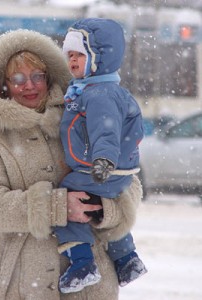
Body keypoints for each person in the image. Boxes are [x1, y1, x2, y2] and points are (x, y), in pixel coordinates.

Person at [0, 28, 143, 300]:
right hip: (26, 282)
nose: (29, 85)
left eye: (37, 76)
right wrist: (57, 207)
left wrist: (101, 209)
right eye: (18, 78)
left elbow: (129, 184)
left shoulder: (82, 114)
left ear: (49, 77)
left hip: (93, 287)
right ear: (3, 83)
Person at [57, 18, 148, 293]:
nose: (72, 61)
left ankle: (82, 263)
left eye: (80, 55)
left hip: (97, 169)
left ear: (100, 58)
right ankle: (127, 258)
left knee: (66, 199)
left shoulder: (99, 95)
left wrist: (103, 160)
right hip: (118, 172)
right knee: (103, 206)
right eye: (69, 55)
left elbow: (105, 131)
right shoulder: (105, 89)